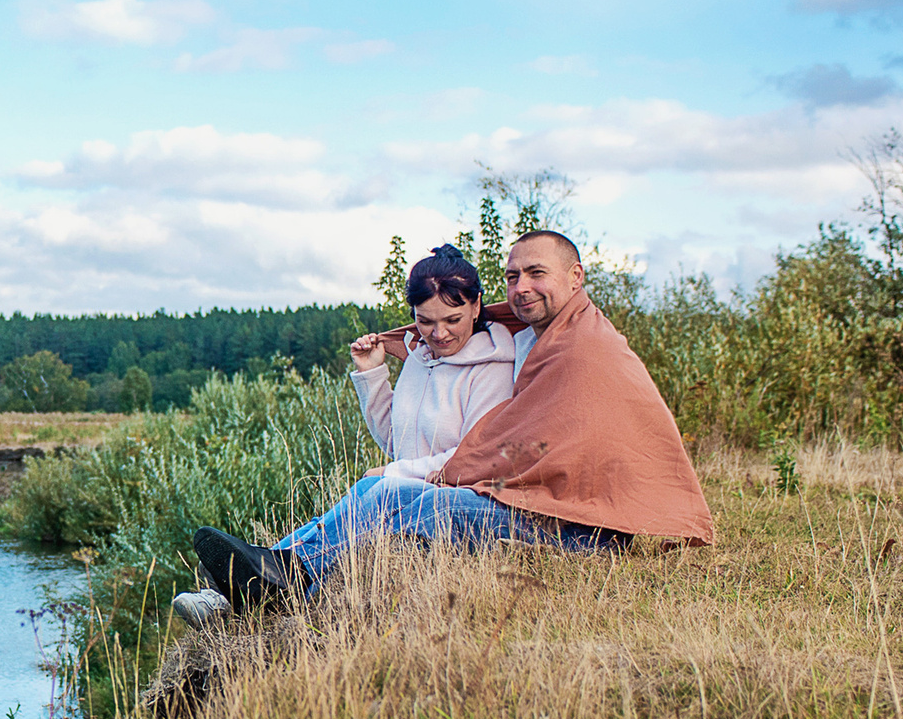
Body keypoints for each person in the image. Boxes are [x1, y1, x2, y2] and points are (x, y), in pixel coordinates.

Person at [186, 230, 715, 613]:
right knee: (387, 494)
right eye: (513, 276)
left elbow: (517, 447)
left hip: (577, 528)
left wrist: (413, 474)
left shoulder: (583, 349)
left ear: (576, 276)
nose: (522, 287)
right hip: (542, 504)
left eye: (537, 273)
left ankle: (292, 582)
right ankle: (272, 572)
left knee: (403, 499)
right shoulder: (541, 339)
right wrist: (376, 379)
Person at [172, 246, 513, 626]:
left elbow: (476, 455)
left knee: (376, 491)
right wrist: (372, 375)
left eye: (452, 319)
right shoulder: (421, 358)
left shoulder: (495, 368)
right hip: (415, 490)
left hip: (460, 495)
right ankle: (229, 596)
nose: (439, 333)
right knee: (353, 505)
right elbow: (396, 442)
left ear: (476, 306)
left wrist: (394, 473)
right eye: (425, 321)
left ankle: (272, 581)